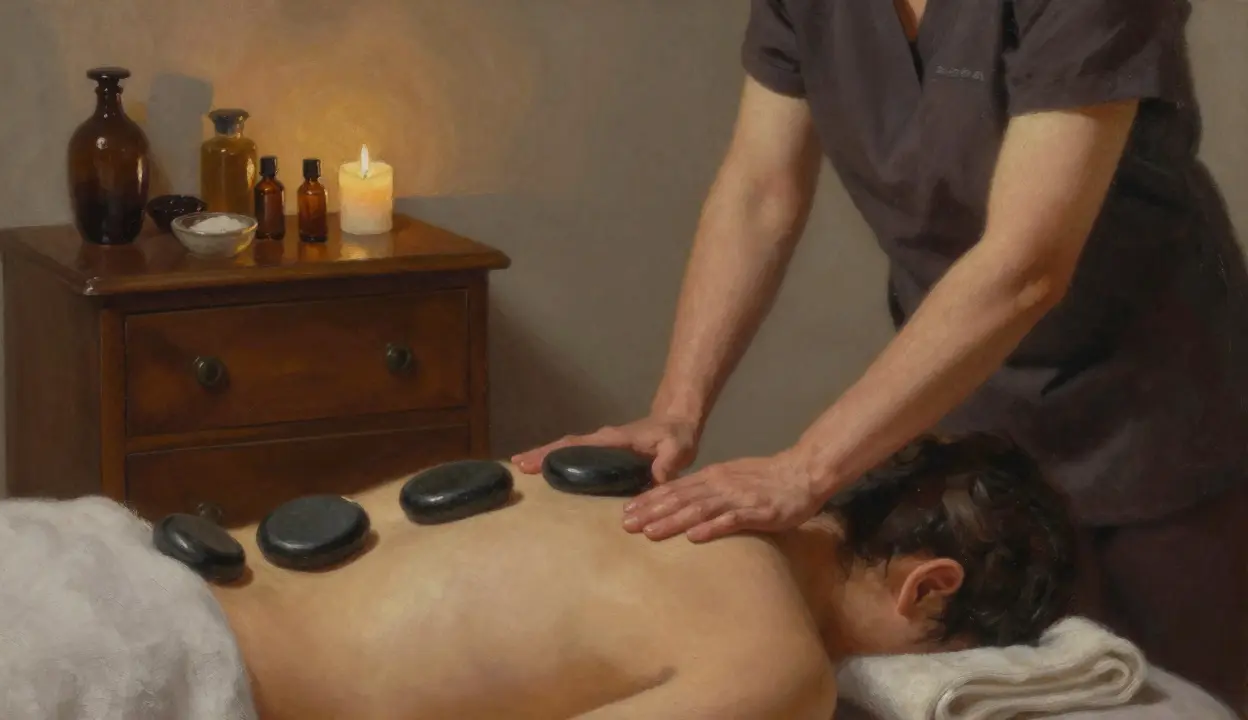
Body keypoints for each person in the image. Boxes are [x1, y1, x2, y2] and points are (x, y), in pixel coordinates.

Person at [514, 0, 1248, 711]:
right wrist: (676, 410)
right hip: (965, 397)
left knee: (1172, 695)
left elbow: (1026, 266)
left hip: (1156, 411)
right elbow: (759, 193)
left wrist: (807, 468)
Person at [188, 433, 1072, 719]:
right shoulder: (775, 659)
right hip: (168, 684)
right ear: (928, 588)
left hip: (119, 561)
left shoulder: (633, 480)